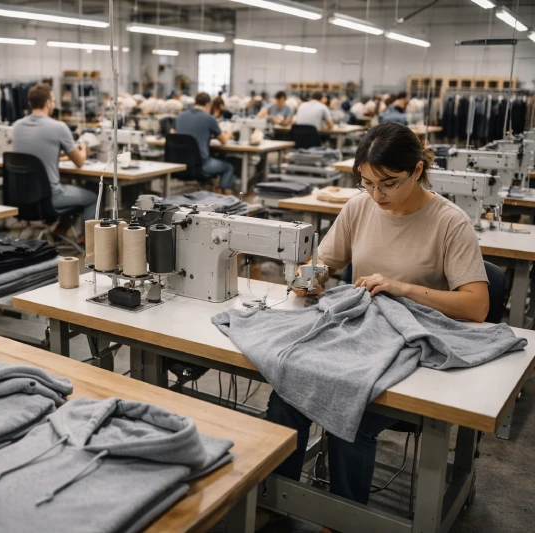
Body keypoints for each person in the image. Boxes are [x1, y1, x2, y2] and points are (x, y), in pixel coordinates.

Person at [270, 123, 489, 522]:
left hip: (414, 346)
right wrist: (305, 281)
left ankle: (344, 520)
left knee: (350, 414)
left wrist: (399, 287)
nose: (377, 195)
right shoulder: (360, 207)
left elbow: (476, 306)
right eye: (366, 183)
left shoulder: (450, 222)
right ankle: (274, 504)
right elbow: (322, 264)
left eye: (387, 183)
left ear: (417, 170)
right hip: (361, 335)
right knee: (285, 392)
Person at [12, 83, 97, 226]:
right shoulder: (59, 127)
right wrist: (83, 147)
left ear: (30, 103)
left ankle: (61, 230)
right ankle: (87, 241)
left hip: (21, 197)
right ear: (48, 103)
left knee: (66, 184)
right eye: (53, 101)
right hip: (49, 198)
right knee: (93, 197)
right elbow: (79, 162)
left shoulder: (17, 126)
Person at [174, 92, 235, 194]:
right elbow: (223, 140)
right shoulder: (209, 118)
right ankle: (223, 194)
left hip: (180, 164)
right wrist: (228, 134)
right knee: (229, 167)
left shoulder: (180, 116)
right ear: (208, 105)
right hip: (201, 165)